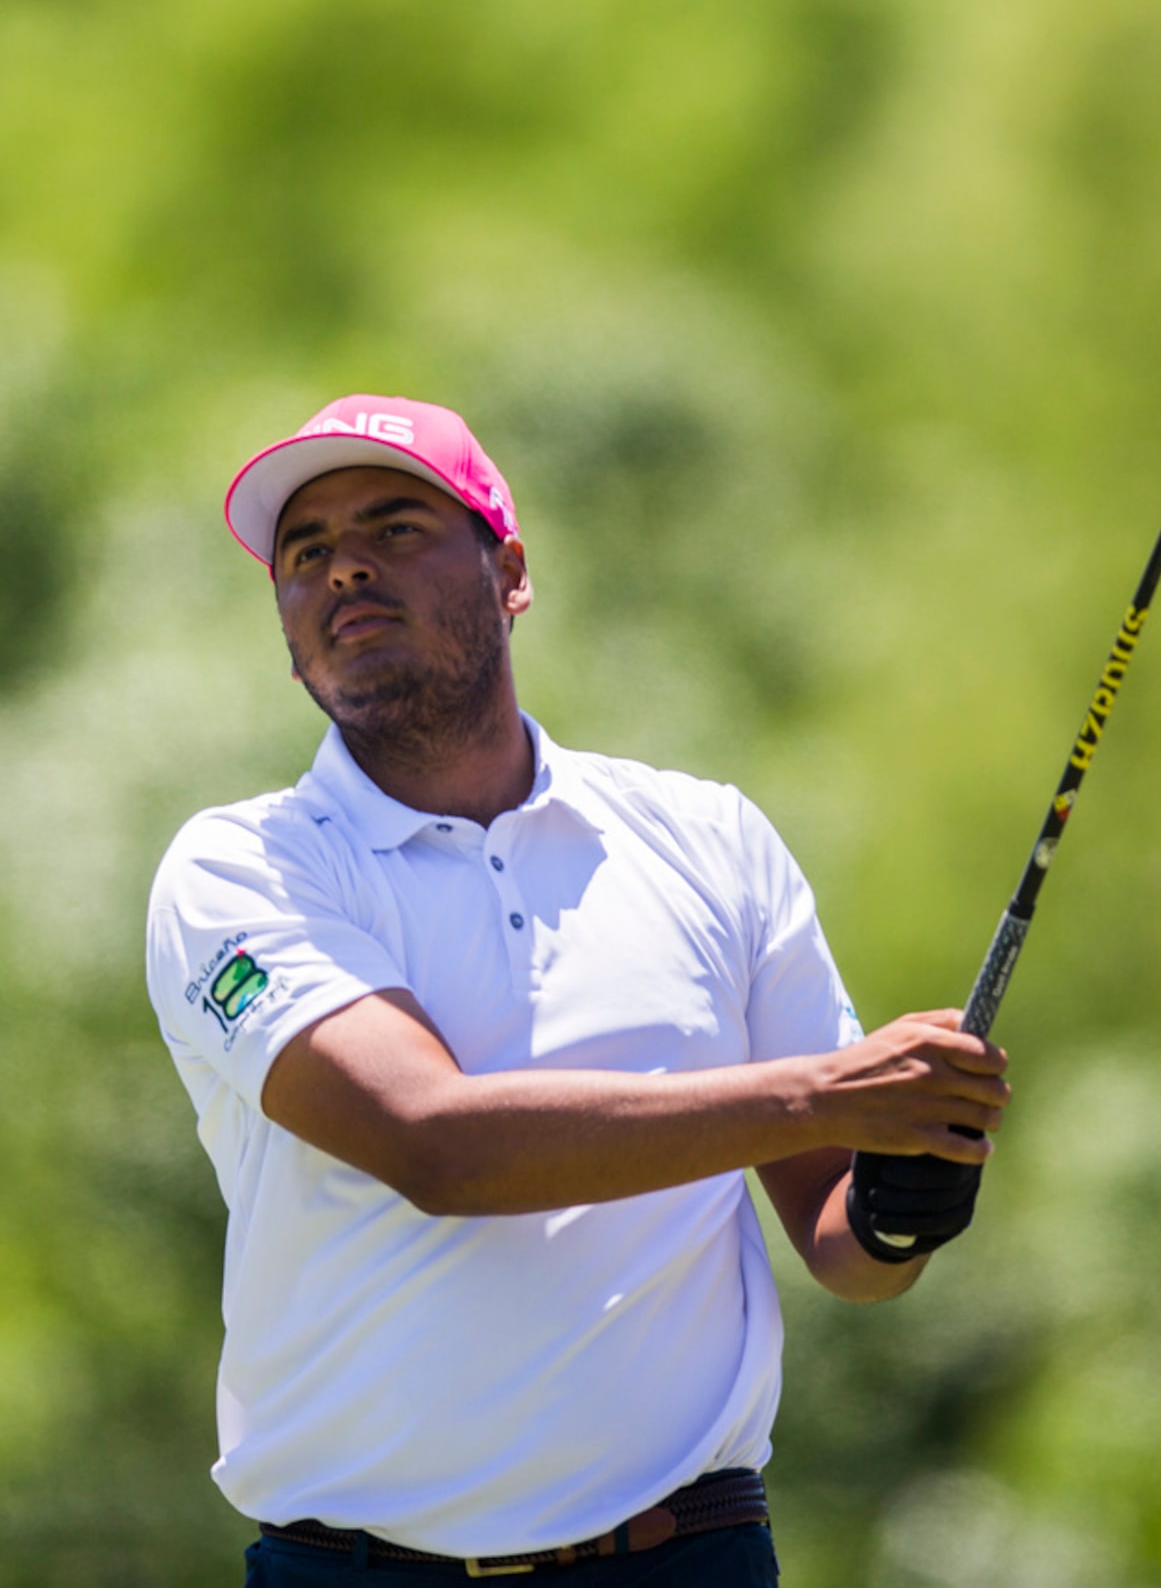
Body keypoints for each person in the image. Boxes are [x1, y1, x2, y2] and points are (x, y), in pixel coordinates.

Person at [146, 393, 1011, 1585]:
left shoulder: (708, 838)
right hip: (354, 1570)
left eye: (395, 529)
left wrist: (904, 1197)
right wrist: (835, 1096)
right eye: (306, 555)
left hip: (686, 1554)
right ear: (289, 631)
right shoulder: (240, 867)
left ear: (510, 572)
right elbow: (434, 1146)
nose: (344, 568)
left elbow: (840, 1244)